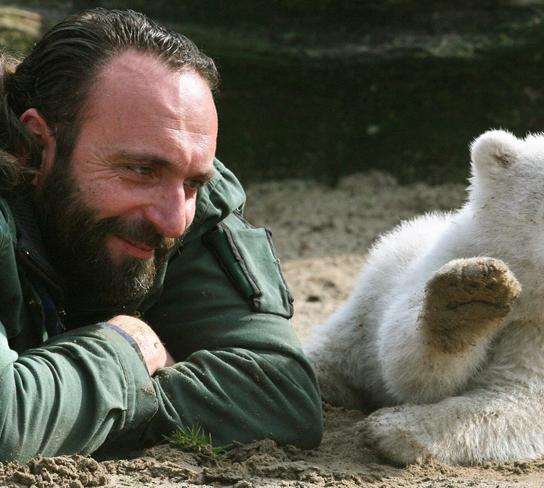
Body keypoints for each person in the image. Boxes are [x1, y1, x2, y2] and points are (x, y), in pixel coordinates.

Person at [0, 8, 322, 462]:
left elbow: (280, 396)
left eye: (192, 182)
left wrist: (68, 402)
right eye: (139, 170)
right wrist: (125, 350)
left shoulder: (184, 199)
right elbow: (5, 427)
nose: (173, 220)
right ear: (36, 144)